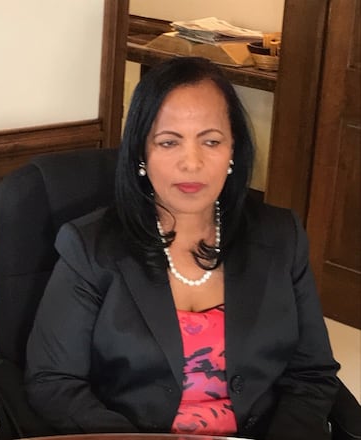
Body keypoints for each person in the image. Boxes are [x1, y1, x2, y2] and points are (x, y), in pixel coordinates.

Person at [25, 57, 339, 439]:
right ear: (142, 153)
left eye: (210, 141)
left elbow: (311, 374)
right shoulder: (90, 247)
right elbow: (54, 382)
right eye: (169, 142)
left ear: (233, 150)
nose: (192, 163)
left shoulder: (280, 236)